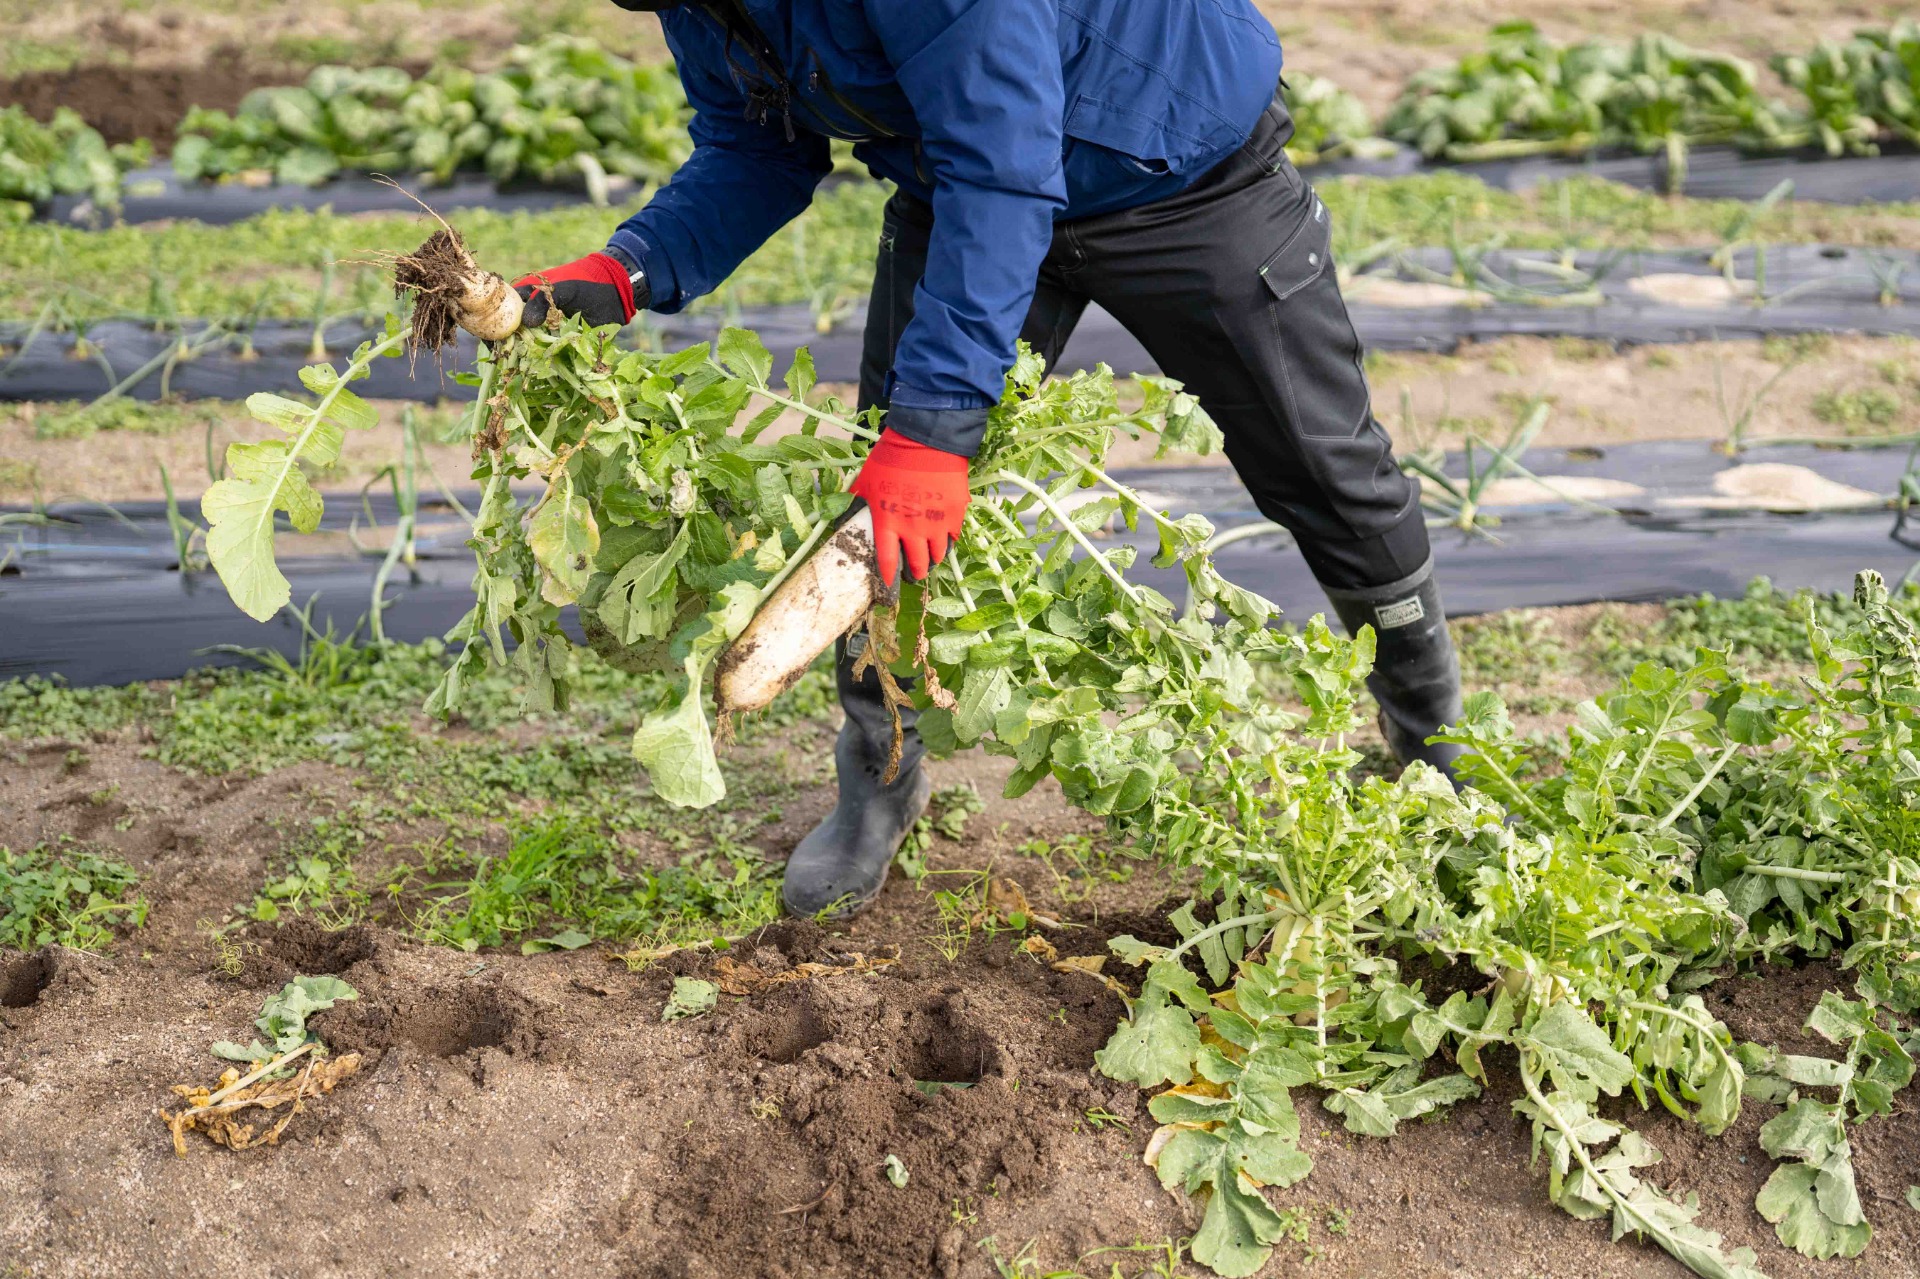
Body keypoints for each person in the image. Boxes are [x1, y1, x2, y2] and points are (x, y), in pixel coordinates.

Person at [516, 0, 1465, 919]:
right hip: (964, 189)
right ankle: (879, 778)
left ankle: (1433, 737)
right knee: (875, 511)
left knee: (1326, 471)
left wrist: (936, 432)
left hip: (1181, 169)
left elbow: (1005, 159)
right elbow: (756, 146)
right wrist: (629, 268)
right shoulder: (700, 5)